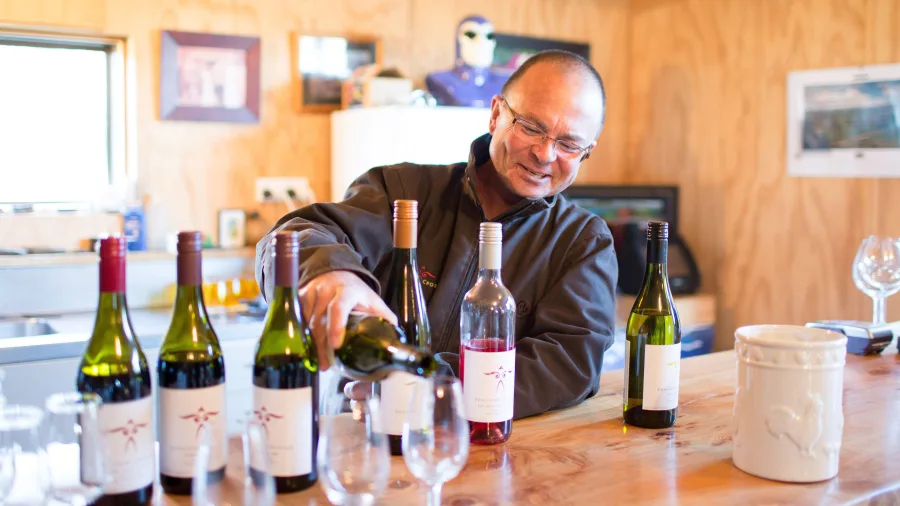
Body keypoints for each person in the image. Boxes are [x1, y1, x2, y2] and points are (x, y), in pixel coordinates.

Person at [255, 49, 618, 420]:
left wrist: (428, 388)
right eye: (530, 127)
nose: (544, 153)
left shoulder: (583, 242)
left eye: (569, 144)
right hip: (368, 435)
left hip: (495, 453)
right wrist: (327, 271)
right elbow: (293, 235)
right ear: (496, 114)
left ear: (586, 152)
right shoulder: (402, 190)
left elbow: (569, 364)